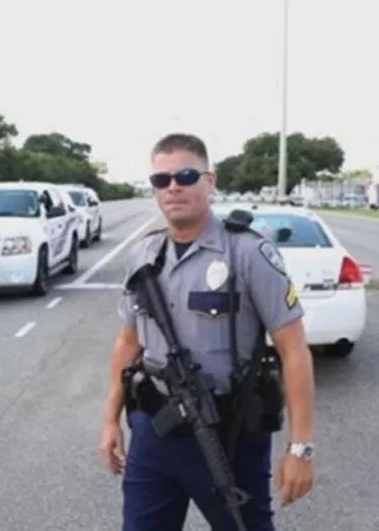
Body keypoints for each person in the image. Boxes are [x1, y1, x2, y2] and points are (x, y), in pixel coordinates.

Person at [97, 133, 317, 530]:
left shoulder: (248, 252)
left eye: (185, 175)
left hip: (228, 435)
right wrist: (111, 419)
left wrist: (300, 448)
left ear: (210, 181)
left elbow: (294, 350)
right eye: (161, 180)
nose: (173, 187)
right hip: (154, 430)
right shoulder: (144, 255)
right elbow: (128, 341)